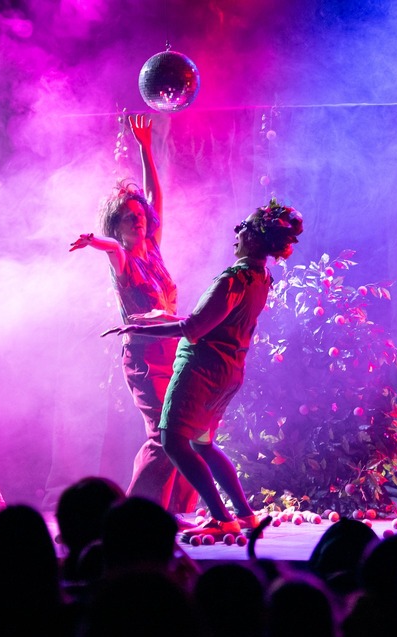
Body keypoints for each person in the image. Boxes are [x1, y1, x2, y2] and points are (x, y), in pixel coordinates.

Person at [103, 198, 304, 537]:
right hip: (227, 370)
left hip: (201, 371)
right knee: (202, 444)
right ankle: (244, 515)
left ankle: (221, 518)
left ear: (253, 238)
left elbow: (193, 328)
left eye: (242, 229)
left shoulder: (233, 279)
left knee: (171, 440)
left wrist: (140, 328)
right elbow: (213, 321)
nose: (236, 234)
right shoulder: (260, 277)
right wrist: (163, 317)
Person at [70, 114, 198, 517]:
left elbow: (154, 196)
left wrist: (146, 148)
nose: (139, 218)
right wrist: (95, 241)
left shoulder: (153, 248)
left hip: (174, 353)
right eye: (130, 216)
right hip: (144, 358)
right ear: (117, 224)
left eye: (140, 214)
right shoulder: (122, 258)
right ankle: (134, 515)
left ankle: (172, 510)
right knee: (163, 434)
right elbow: (111, 248)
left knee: (181, 431)